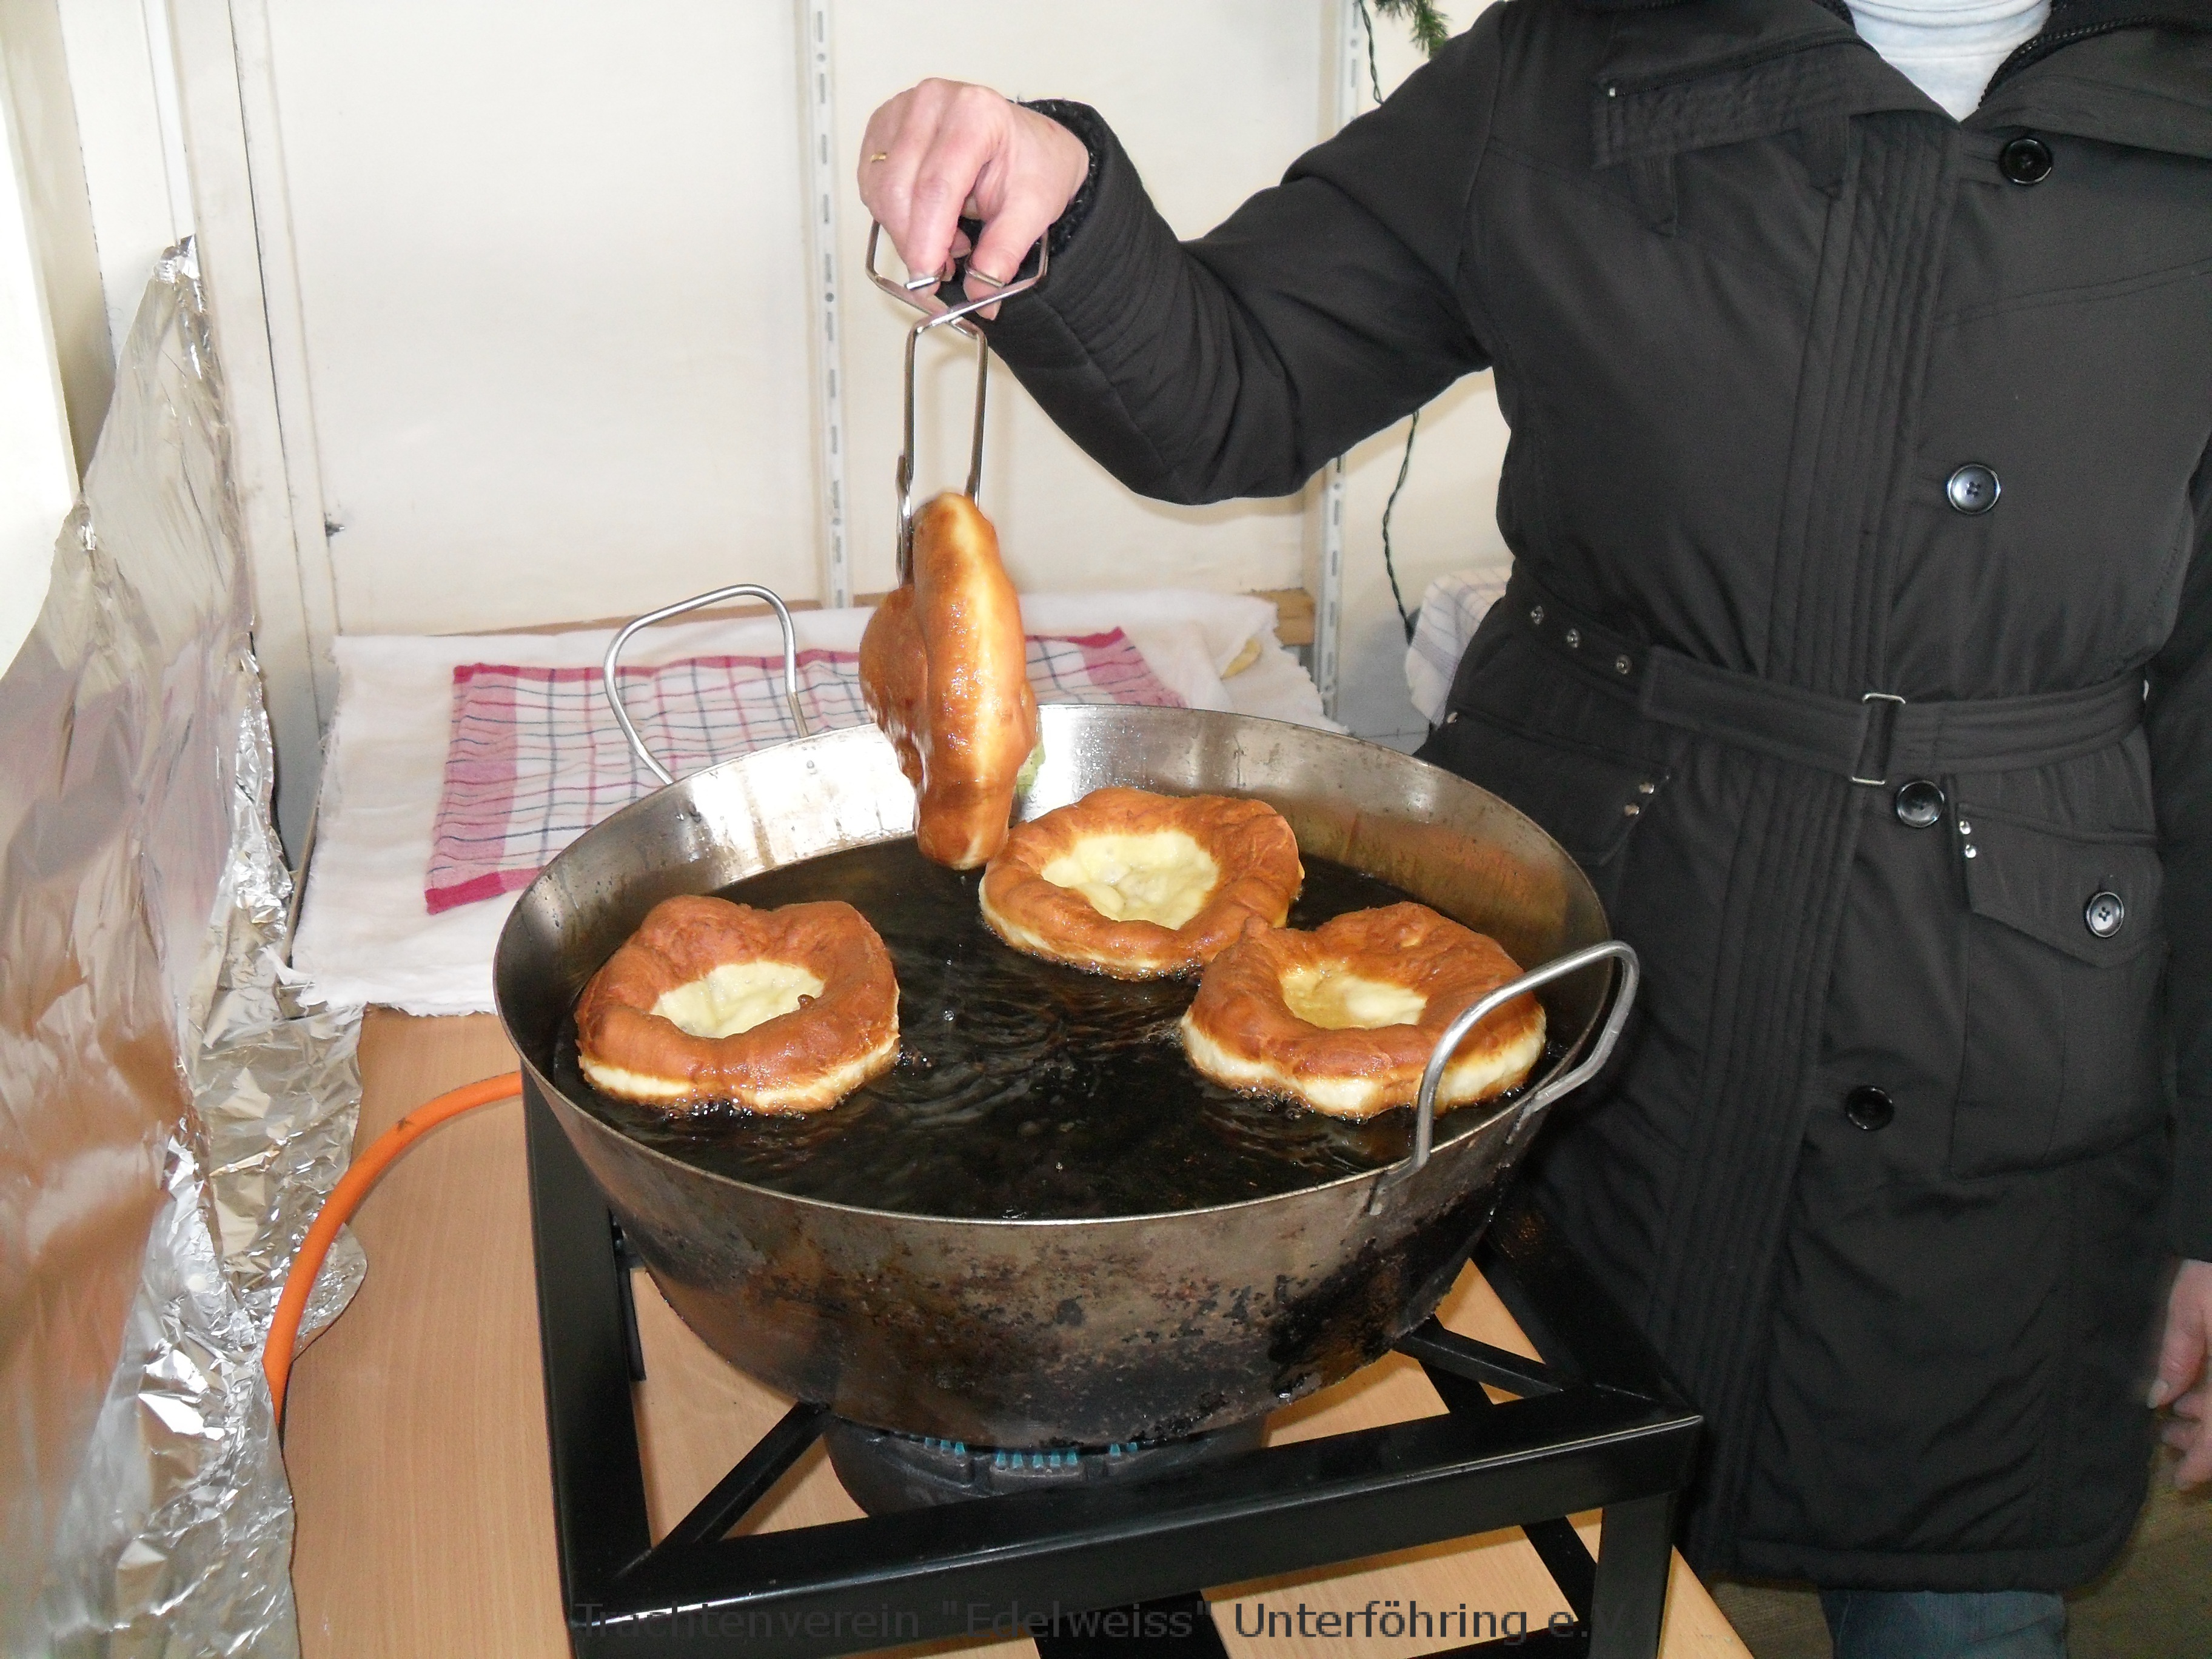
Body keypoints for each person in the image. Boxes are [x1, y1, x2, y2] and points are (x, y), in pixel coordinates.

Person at [858, 1, 2212, 1654]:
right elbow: (1235, 388)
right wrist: (1050, 199)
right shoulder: (1581, 56)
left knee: (1957, 1603)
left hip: (2004, 1062)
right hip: (1587, 988)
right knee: (1504, 1571)